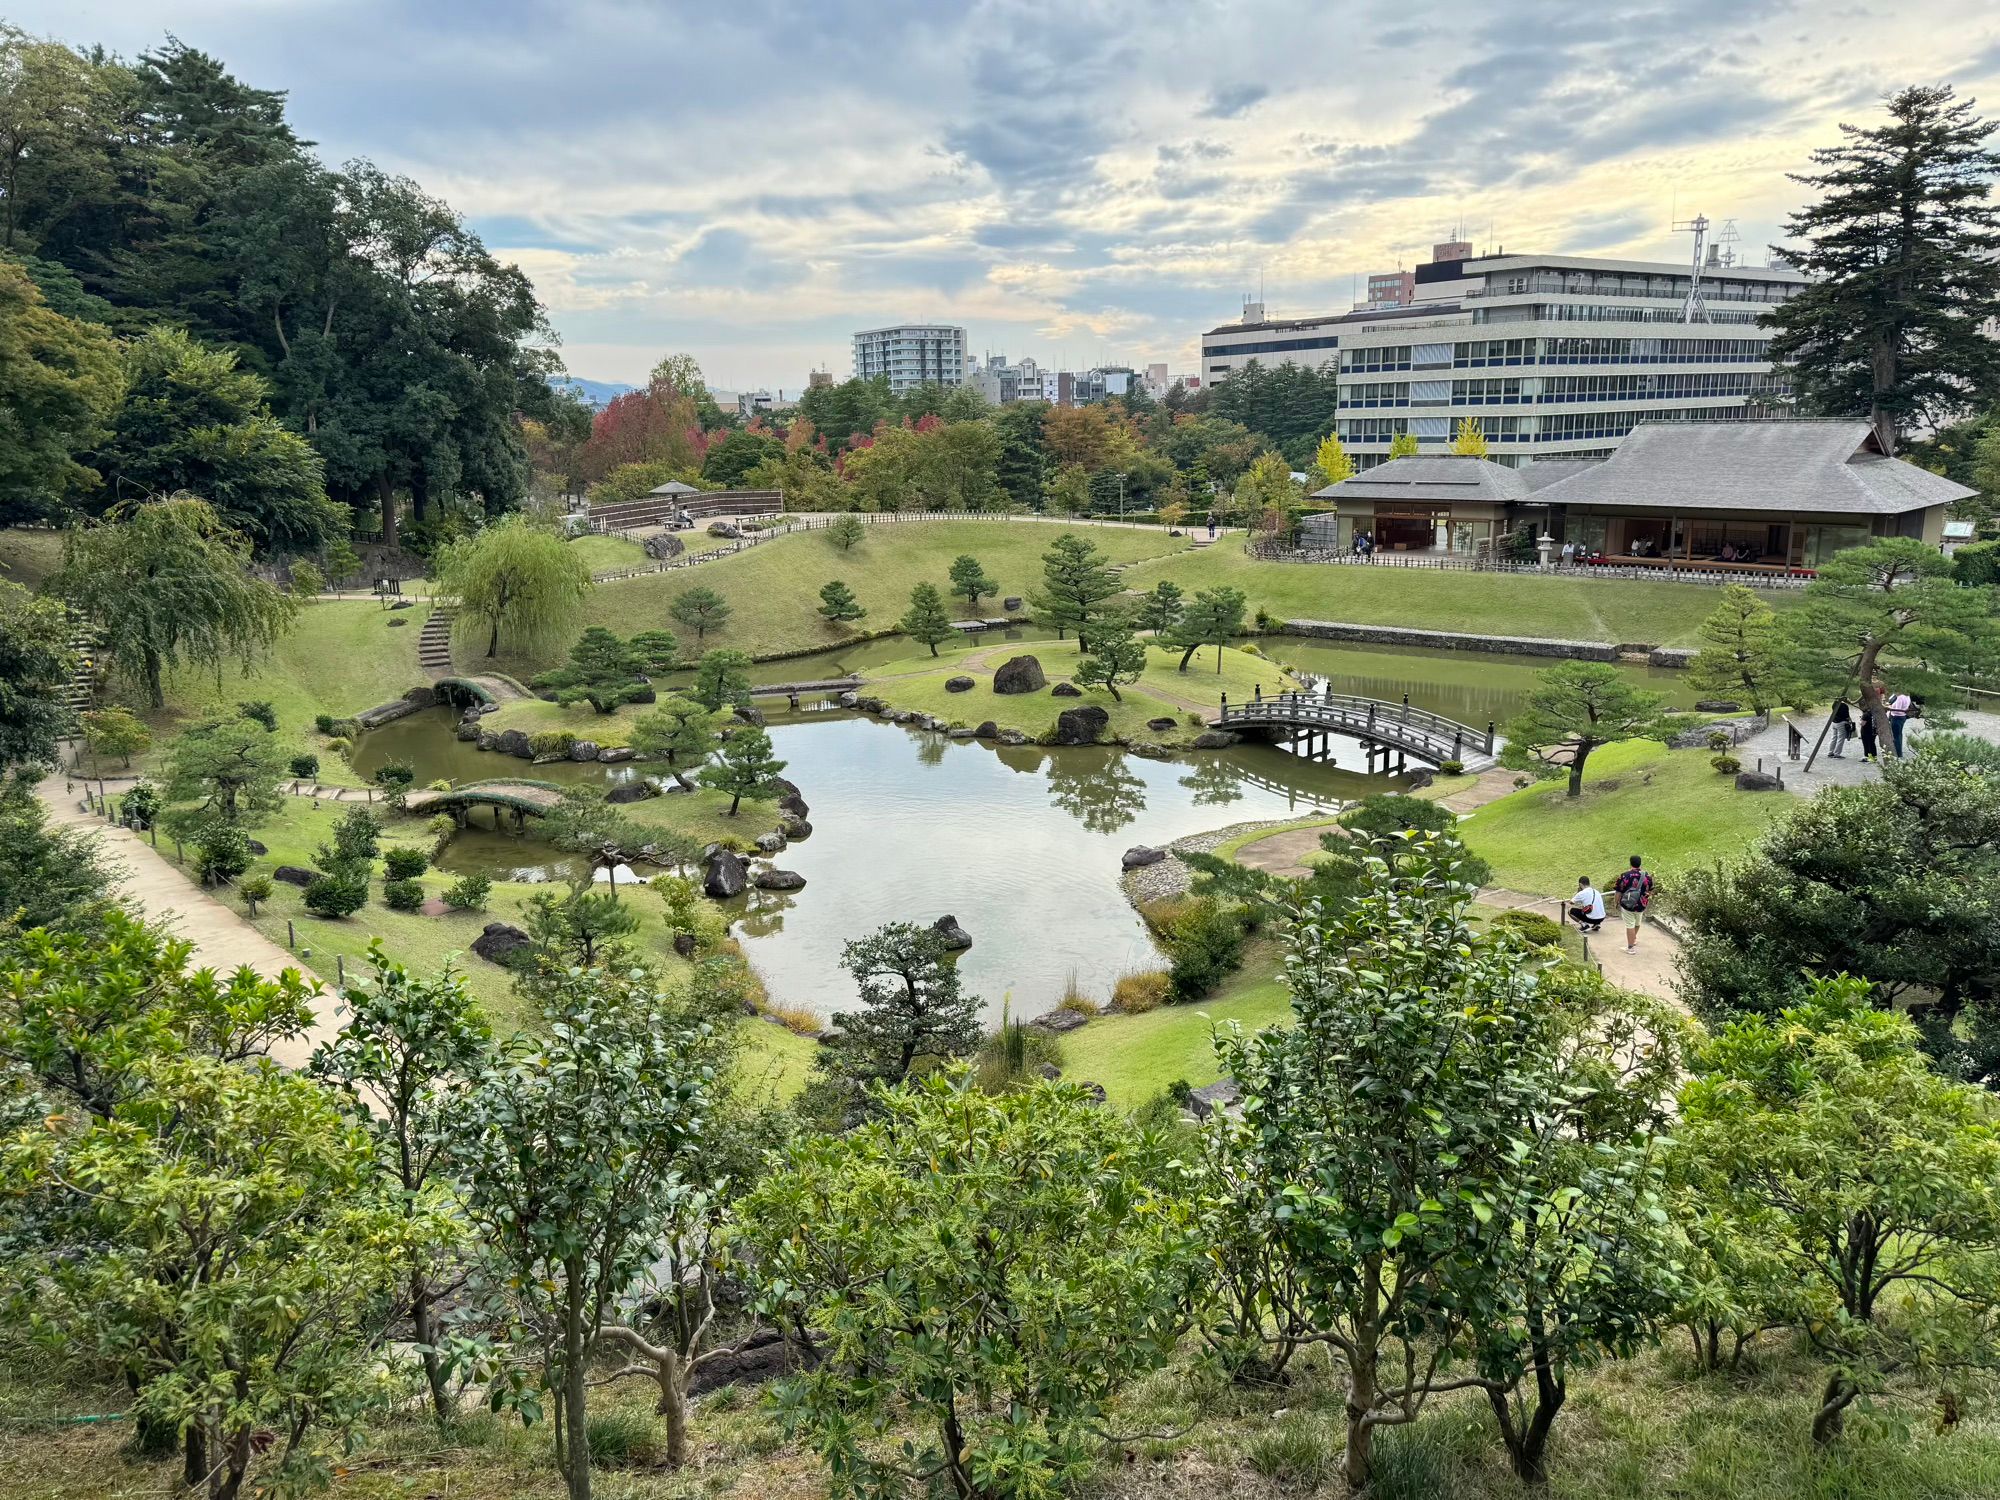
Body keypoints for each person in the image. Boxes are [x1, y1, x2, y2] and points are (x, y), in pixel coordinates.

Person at [1611, 855, 1653, 951]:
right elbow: (1650, 890)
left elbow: (1618, 891)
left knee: (1630, 924)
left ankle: (1630, 948)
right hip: (1641, 904)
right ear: (1640, 863)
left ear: (1630, 863)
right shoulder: (1647, 876)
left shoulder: (1624, 875)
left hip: (1628, 904)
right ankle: (1633, 940)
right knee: (1637, 923)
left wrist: (1616, 903)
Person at [1887, 686, 1913, 758]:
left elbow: (1897, 709)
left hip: (1896, 717)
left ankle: (1898, 753)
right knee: (1899, 734)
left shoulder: (1901, 697)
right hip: (1902, 716)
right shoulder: (1908, 697)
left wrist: (1888, 707)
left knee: (1896, 736)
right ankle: (1899, 751)